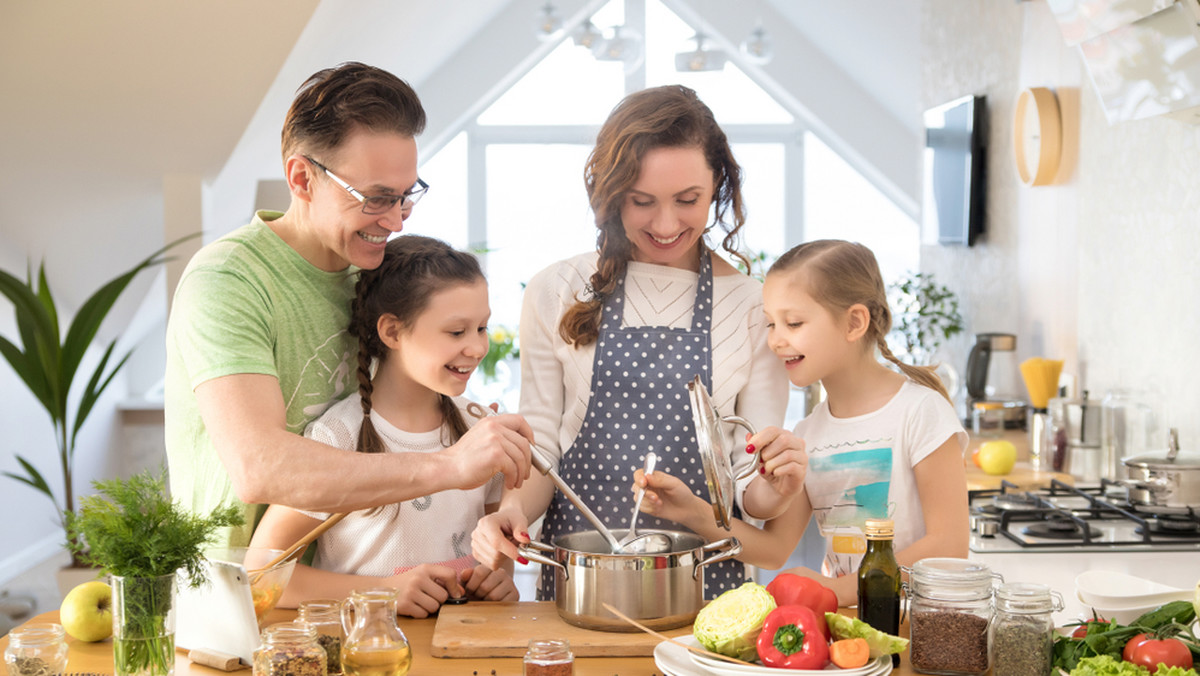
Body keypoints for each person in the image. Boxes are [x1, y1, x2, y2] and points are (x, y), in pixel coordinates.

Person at [165, 62, 533, 553]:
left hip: (346, 596)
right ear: (301, 178)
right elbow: (259, 468)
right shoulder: (229, 279)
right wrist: (449, 467)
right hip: (235, 600)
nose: (396, 221)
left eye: (406, 197)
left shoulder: (377, 273)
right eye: (377, 198)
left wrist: (502, 499)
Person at [470, 84, 797, 600]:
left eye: (688, 201)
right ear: (609, 192)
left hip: (707, 594)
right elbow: (543, 453)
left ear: (719, 186)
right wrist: (510, 512)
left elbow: (748, 490)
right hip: (581, 587)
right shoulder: (554, 290)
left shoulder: (753, 307)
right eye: (641, 202)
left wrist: (776, 489)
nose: (666, 225)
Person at [250, 235, 520, 616]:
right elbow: (261, 574)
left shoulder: (481, 428)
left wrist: (494, 576)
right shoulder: (338, 438)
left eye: (482, 328)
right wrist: (383, 591)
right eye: (457, 332)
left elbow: (493, 549)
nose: (477, 348)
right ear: (392, 332)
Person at [756, 239, 969, 605]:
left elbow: (948, 547)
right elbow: (774, 548)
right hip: (851, 629)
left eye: (793, 323)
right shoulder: (807, 433)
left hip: (918, 629)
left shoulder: (921, 412)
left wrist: (835, 592)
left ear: (854, 322)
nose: (776, 340)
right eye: (771, 324)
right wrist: (693, 514)